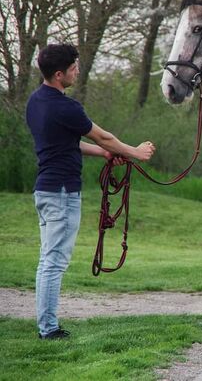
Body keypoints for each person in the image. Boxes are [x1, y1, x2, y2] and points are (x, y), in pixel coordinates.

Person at [25, 43, 156, 340]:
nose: (77, 71)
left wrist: (103, 154)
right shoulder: (65, 107)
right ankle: (49, 329)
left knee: (48, 259)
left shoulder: (36, 102)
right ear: (59, 74)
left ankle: (47, 324)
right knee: (54, 261)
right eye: (73, 68)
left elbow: (68, 144)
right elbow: (103, 136)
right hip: (61, 194)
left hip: (45, 191)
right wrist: (135, 152)